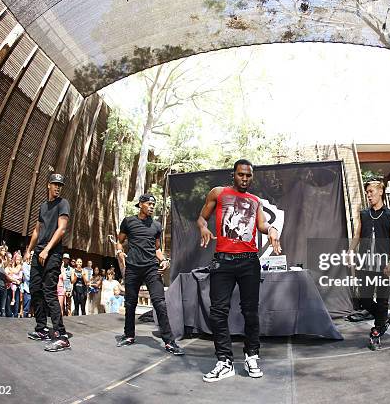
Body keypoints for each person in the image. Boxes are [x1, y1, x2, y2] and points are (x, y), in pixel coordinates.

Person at [197, 159, 282, 382]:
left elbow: (262, 225)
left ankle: (251, 355)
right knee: (218, 311)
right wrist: (203, 228)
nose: (245, 178)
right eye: (241, 174)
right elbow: (201, 218)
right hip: (223, 262)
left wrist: (272, 230)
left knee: (250, 311)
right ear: (233, 174)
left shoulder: (255, 201)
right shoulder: (218, 193)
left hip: (248, 262)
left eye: (248, 175)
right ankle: (224, 361)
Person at [115, 193, 184, 356]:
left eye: (154, 204)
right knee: (130, 303)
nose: (152, 206)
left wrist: (164, 260)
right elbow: (120, 241)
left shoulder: (157, 226)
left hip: (151, 268)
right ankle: (129, 335)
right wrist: (119, 251)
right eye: (149, 204)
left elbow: (157, 249)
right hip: (132, 267)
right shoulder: (129, 221)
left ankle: (169, 342)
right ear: (141, 204)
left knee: (160, 303)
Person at [24, 173, 71, 352]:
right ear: (48, 185)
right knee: (35, 289)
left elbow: (62, 229)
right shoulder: (43, 206)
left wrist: (46, 249)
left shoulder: (63, 203)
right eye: (55, 184)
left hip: (52, 253)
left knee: (49, 292)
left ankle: (62, 336)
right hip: (38, 252)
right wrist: (29, 249)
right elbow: (37, 230)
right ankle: (42, 328)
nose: (58, 187)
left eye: (60, 185)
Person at [350, 181, 390, 350]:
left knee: (383, 300)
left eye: (371, 191)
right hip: (365, 264)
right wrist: (350, 250)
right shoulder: (364, 214)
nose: (368, 195)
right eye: (367, 192)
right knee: (365, 299)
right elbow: (357, 234)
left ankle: (376, 331)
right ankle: (383, 317)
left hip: (384, 264)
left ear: (380, 191)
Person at [22, 253, 32, 317]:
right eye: (31, 254)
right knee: (26, 305)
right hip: (28, 288)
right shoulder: (25, 265)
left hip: (33, 288)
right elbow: (27, 277)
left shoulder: (33, 265)